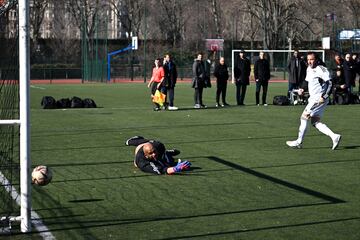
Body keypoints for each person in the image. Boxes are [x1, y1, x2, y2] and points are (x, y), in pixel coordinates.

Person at [286, 52, 341, 150]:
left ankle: (298, 142)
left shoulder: (321, 69)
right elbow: (307, 82)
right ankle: (334, 136)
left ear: (316, 59)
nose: (309, 62)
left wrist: (323, 96)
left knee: (304, 117)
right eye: (308, 59)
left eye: (311, 59)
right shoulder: (309, 69)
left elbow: (330, 83)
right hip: (314, 99)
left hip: (318, 99)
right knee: (315, 122)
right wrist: (302, 89)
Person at [125, 136, 191, 175]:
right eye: (150, 153)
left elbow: (156, 148)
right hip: (140, 148)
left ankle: (167, 153)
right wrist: (175, 169)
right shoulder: (142, 162)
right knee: (129, 142)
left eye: (154, 151)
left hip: (151, 144)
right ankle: (132, 141)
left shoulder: (158, 146)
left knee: (165, 161)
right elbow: (162, 170)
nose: (153, 154)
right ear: (146, 155)